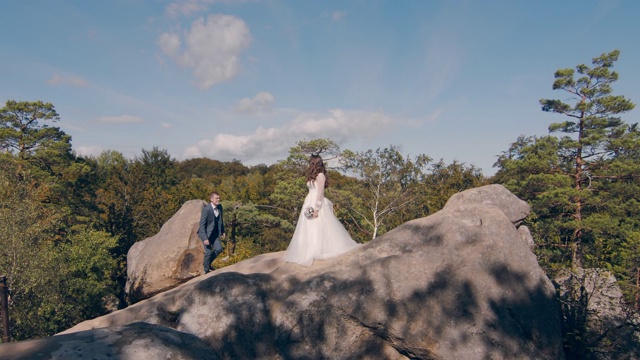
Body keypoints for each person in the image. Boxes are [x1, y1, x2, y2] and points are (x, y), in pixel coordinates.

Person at [284, 154, 359, 266]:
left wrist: (317, 208)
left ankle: (316, 249)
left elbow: (320, 193)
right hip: (309, 201)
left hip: (316, 202)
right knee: (308, 226)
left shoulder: (320, 176)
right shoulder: (312, 176)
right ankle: (307, 249)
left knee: (318, 225)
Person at [198, 191, 226, 274]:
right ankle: (206, 270)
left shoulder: (220, 207)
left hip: (214, 234)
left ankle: (208, 263)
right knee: (208, 252)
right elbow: (202, 225)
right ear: (211, 199)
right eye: (216, 198)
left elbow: (221, 220)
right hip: (206, 234)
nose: (218, 200)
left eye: (219, 198)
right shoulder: (206, 209)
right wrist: (205, 238)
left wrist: (222, 231)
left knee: (219, 249)